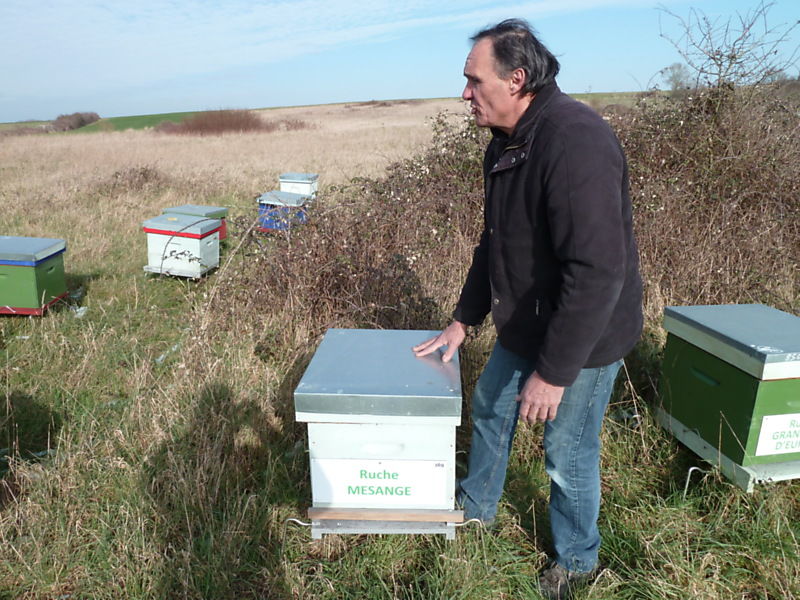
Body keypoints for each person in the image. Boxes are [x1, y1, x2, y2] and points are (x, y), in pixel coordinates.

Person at [413, 18, 643, 600]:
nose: (465, 94)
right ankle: (476, 513)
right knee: (491, 405)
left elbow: (597, 272)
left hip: (582, 336)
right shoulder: (508, 141)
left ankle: (576, 559)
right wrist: (464, 319)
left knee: (566, 451)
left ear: (517, 79)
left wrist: (554, 372)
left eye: (473, 81)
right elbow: (496, 240)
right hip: (527, 319)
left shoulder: (573, 140)